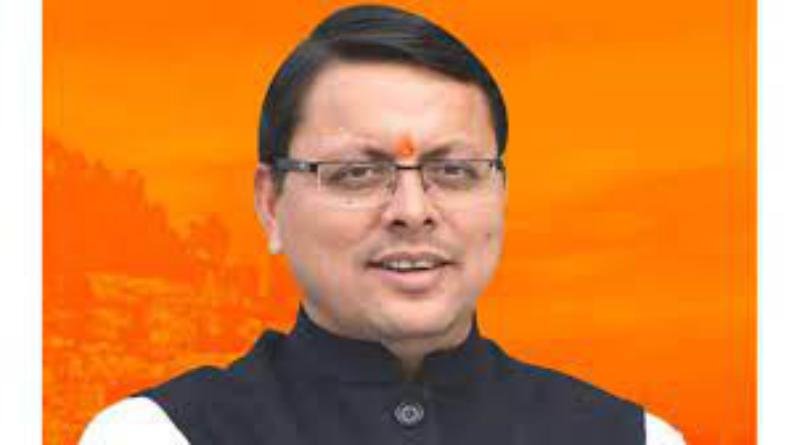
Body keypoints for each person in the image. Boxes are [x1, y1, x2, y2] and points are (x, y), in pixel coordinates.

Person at [80, 4, 685, 444]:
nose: (412, 210)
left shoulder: (631, 437)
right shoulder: (161, 434)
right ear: (271, 203)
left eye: (454, 170)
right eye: (358, 174)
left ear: (500, 192)